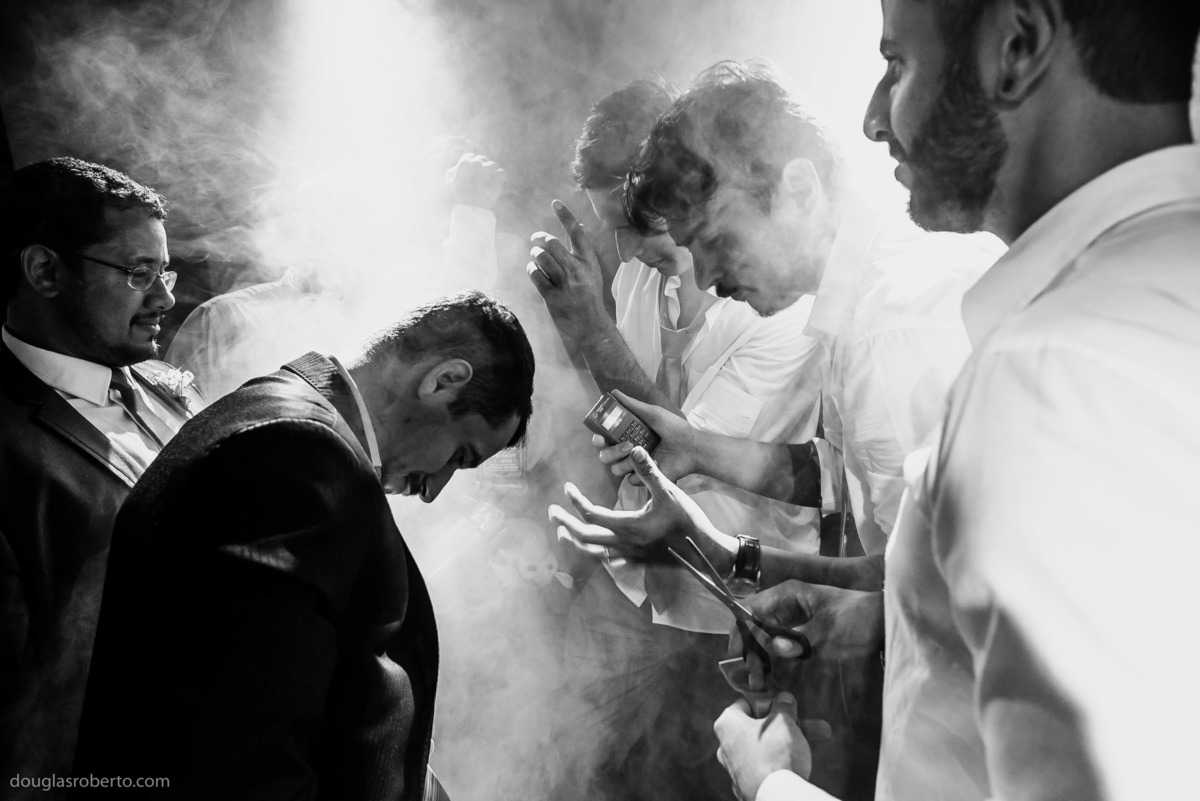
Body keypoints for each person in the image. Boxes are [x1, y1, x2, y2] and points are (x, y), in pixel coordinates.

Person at [710, 1, 1200, 800]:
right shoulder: (1146, 292)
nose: (873, 119)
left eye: (897, 64)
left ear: (1017, 45)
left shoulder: (1053, 374)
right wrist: (887, 616)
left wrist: (772, 786)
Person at [74, 291, 535, 800]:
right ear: (443, 380)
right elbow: (245, 768)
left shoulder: (286, 417)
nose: (434, 490)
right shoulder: (300, 456)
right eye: (460, 454)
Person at [527, 78, 826, 801]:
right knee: (580, 771)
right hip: (634, 583)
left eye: (644, 227)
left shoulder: (775, 306)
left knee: (700, 782)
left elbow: (679, 454)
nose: (630, 249)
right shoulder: (635, 278)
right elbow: (621, 422)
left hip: (726, 610)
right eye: (615, 228)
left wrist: (588, 326)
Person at [0, 157, 204, 789]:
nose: (166, 297)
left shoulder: (172, 392)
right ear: (44, 271)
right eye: (138, 272)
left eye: (163, 271)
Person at [167, 150, 510, 400]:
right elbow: (171, 430)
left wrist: (473, 210)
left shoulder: (382, 323)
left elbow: (462, 320)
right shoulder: (226, 318)